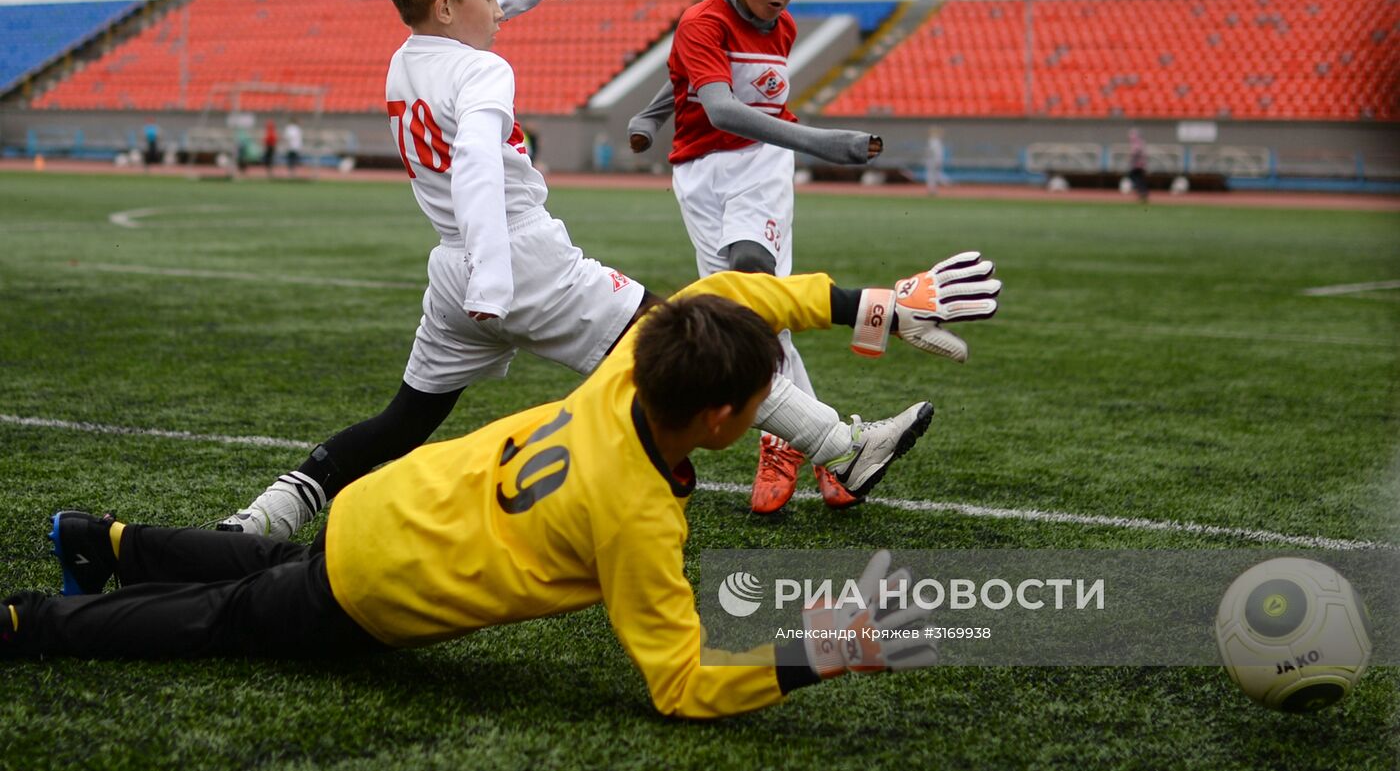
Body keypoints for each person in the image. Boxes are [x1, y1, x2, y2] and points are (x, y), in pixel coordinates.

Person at [3, 262, 1001, 718]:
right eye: (762, 395)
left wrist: (871, 305)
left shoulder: (638, 353)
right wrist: (818, 649)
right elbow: (682, 685)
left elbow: (739, 291)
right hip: (381, 585)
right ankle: (36, 619)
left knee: (274, 566)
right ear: (716, 418)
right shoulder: (636, 516)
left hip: (393, 501)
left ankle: (110, 539)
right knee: (223, 619)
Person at [218, 0, 933, 540]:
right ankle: (843, 447)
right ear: (448, 4)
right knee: (692, 340)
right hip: (519, 259)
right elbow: (474, 162)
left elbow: (455, 25)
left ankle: (263, 518)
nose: (500, 8)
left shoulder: (407, 60)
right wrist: (499, 275)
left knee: (403, 419)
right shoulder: (484, 69)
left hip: (452, 269)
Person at [627, 0, 889, 515]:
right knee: (745, 315)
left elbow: (741, 108)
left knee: (752, 281)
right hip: (697, 177)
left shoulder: (785, 29)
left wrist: (804, 143)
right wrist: (652, 113)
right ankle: (822, 440)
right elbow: (706, 94)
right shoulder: (703, 21)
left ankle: (790, 441)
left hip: (762, 163)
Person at [1127, 128, 1149, 203]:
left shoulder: (1137, 143)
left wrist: (1131, 158)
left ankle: (1142, 191)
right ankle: (1143, 192)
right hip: (1140, 165)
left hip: (1138, 165)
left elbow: (1136, 152)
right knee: (1139, 179)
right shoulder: (1140, 142)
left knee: (1136, 178)